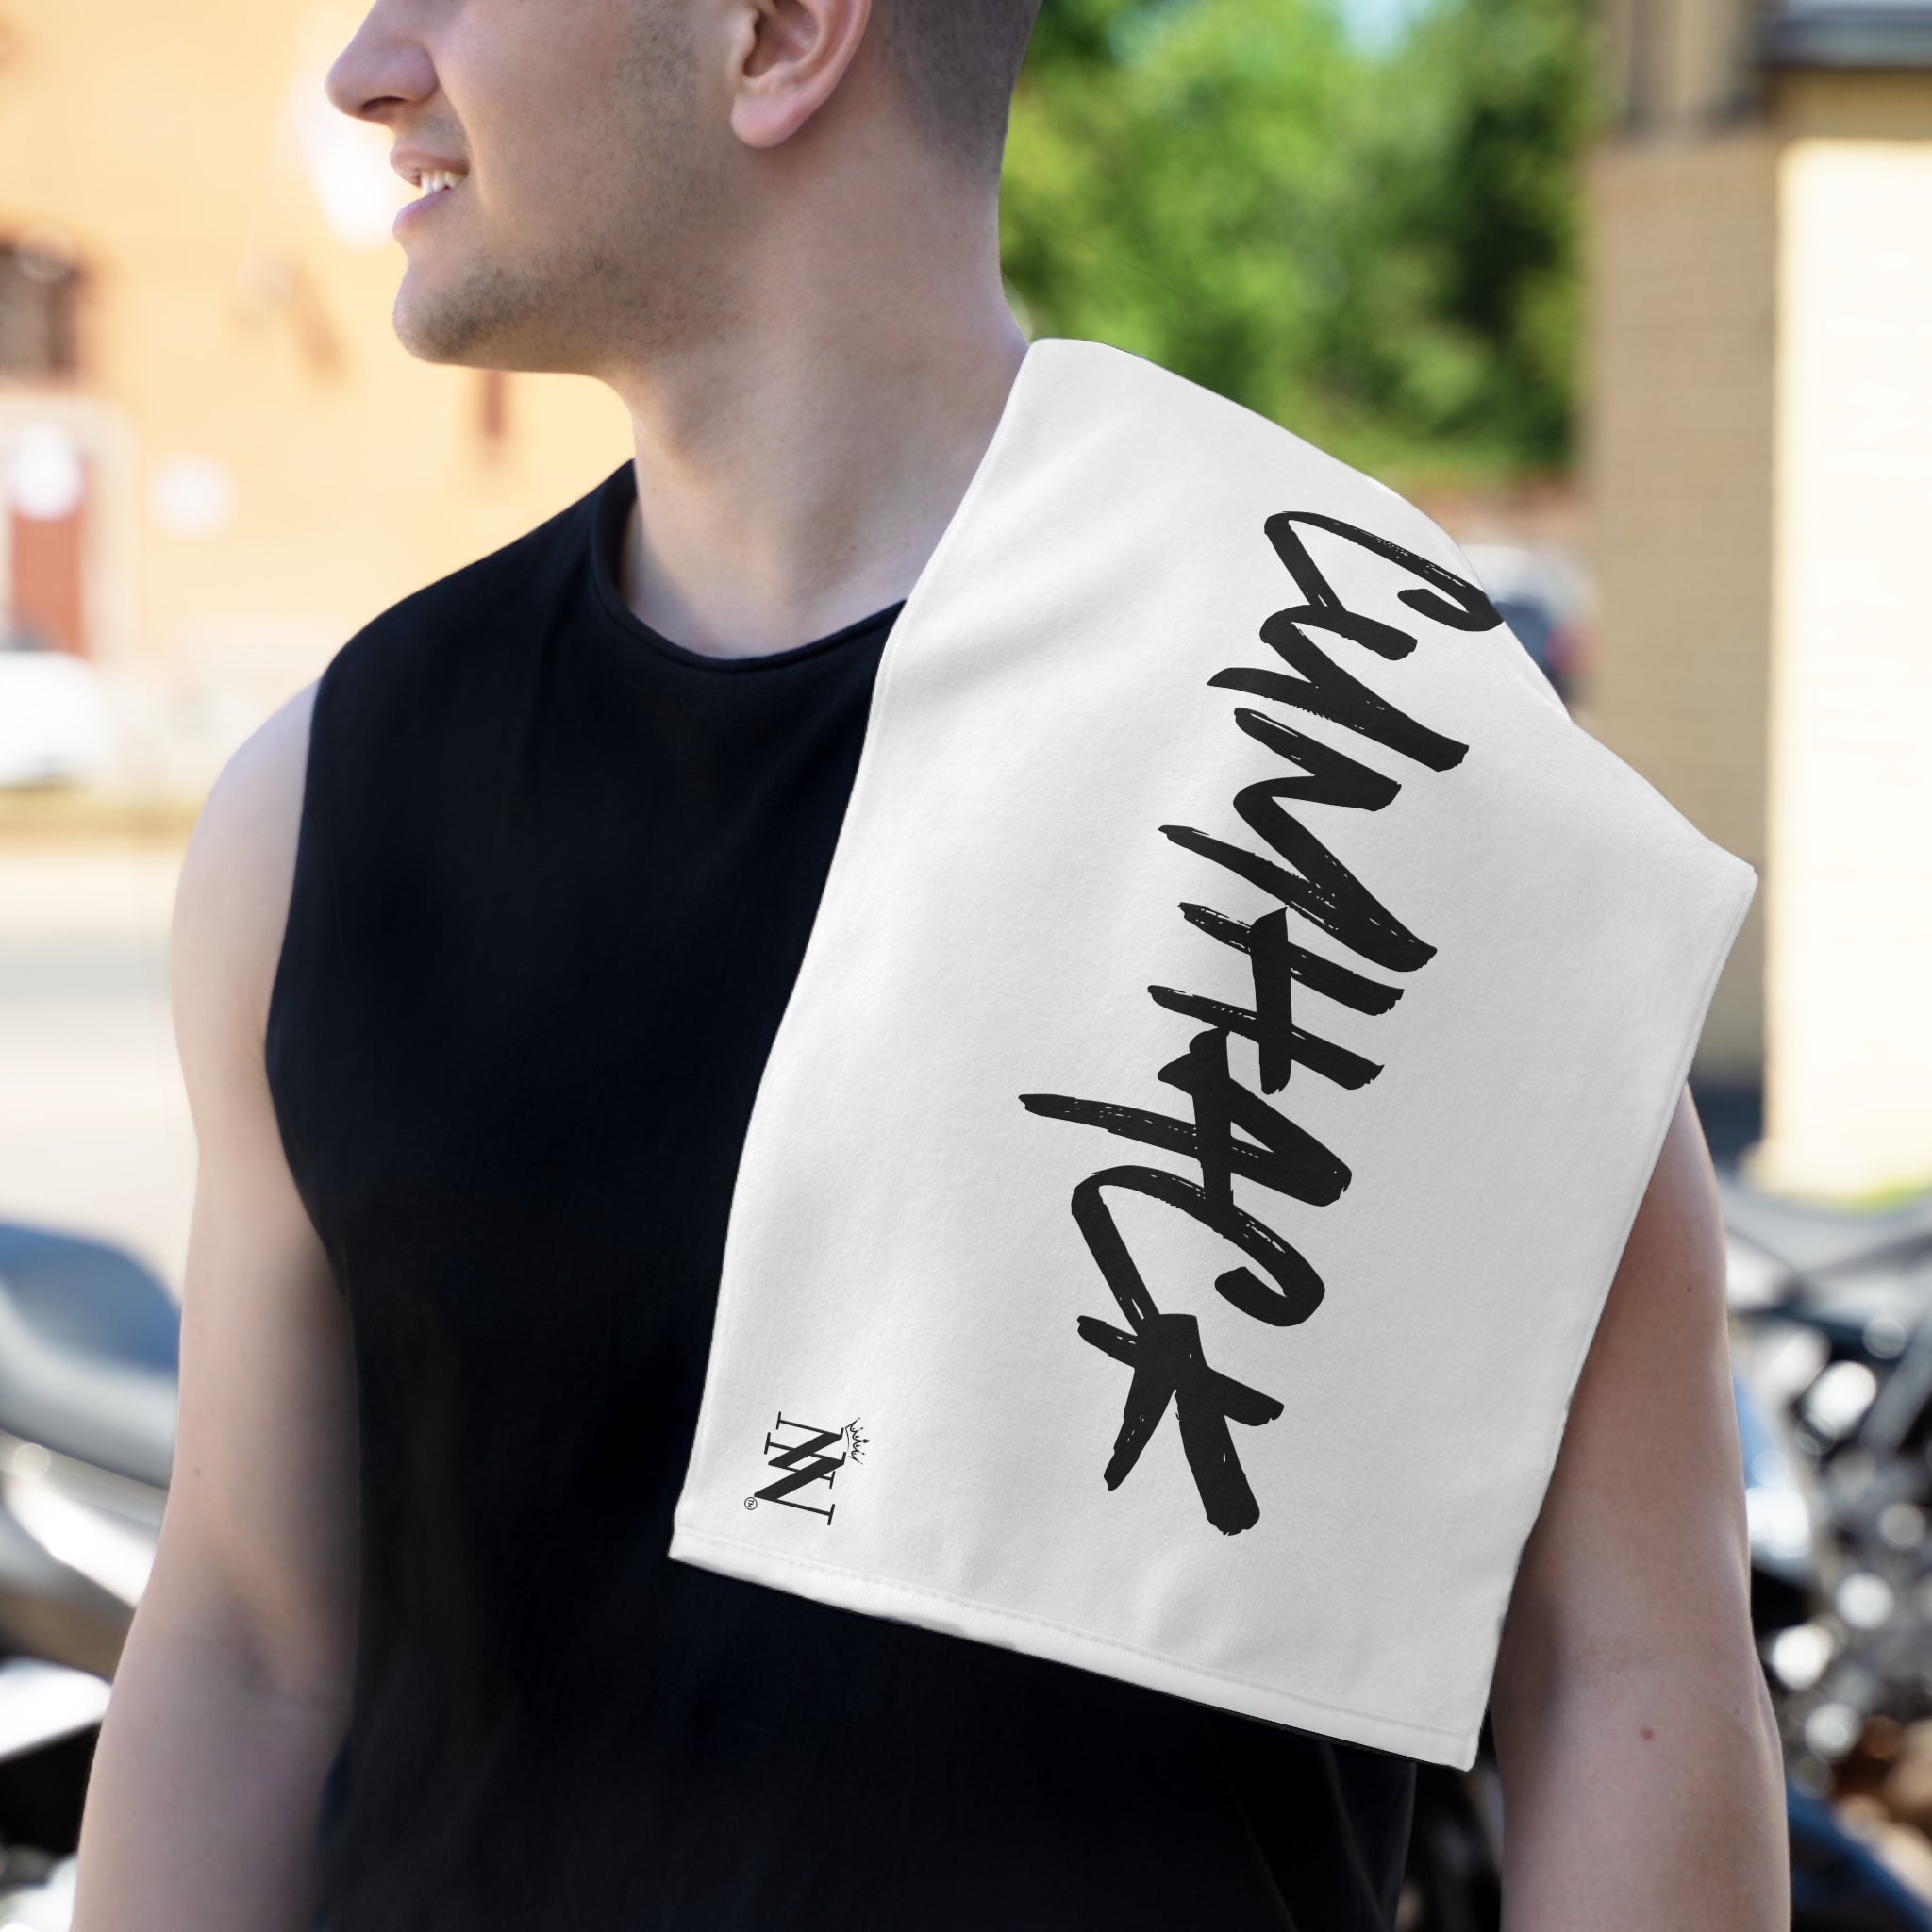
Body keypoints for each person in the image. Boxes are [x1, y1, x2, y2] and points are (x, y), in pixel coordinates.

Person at [70, 0, 1789, 1925]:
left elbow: (1621, 1675)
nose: (371, 65)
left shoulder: (1380, 759)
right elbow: (246, 1649)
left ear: (779, 35)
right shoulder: (328, 801)